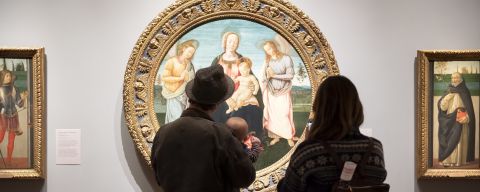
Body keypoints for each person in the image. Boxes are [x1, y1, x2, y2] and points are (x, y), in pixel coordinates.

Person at [151, 65, 256, 192]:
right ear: (218, 102)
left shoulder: (163, 132)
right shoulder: (220, 135)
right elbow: (246, 177)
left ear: (191, 96)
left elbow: (158, 177)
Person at [277, 75, 387, 192]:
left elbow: (287, 189)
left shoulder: (310, 152)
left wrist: (309, 142)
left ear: (320, 109)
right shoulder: (375, 150)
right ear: (356, 107)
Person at [211, 31, 265, 144]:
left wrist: (251, 86)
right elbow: (212, 78)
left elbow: (251, 77)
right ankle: (219, 140)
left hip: (241, 93)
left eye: (236, 41)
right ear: (225, 42)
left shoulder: (242, 59)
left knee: (251, 108)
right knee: (218, 109)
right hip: (222, 94)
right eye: (230, 41)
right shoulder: (217, 60)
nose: (233, 43)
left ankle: (248, 140)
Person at [261, 40, 296, 147]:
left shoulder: (286, 58)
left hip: (284, 90)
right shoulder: (267, 61)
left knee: (284, 112)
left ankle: (289, 136)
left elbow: (290, 76)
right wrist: (267, 77)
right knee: (273, 115)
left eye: (270, 48)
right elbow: (264, 77)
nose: (269, 51)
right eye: (266, 50)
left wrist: (274, 75)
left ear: (274, 46)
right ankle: (276, 136)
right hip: (271, 91)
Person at [438, 72, 476, 167]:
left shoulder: (465, 91)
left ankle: (459, 161)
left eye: (456, 77)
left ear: (461, 79)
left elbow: (469, 109)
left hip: (461, 119)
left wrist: (467, 117)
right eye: (453, 78)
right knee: (450, 140)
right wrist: (446, 98)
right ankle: (448, 161)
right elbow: (442, 108)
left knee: (459, 140)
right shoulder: (448, 90)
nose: (454, 79)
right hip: (449, 121)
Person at [159, 40, 197, 123]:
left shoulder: (189, 64)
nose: (190, 54)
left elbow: (192, 79)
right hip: (174, 94)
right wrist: (180, 78)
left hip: (185, 96)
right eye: (189, 51)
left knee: (183, 118)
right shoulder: (172, 61)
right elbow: (165, 78)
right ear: (183, 48)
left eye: (192, 53)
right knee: (176, 118)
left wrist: (188, 77)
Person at [0, 68, 28, 166]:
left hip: (14, 116)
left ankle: (9, 161)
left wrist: (23, 98)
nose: (9, 77)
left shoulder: (15, 88)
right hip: (3, 116)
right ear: (2, 77)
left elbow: (19, 104)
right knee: (1, 136)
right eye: (7, 75)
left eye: (10, 75)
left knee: (11, 139)